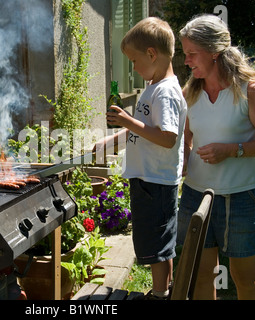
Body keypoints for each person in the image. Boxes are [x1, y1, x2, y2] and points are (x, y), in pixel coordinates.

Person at [177, 14, 255, 300]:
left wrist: (232, 150)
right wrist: (186, 158)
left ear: (214, 52)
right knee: (201, 275)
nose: (186, 61)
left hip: (242, 198)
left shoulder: (251, 90)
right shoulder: (192, 91)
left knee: (245, 278)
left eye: (191, 54)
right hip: (195, 196)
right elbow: (186, 133)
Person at [95, 17, 187, 300]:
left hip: (155, 182)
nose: (133, 68)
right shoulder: (153, 87)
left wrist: (125, 120)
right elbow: (144, 131)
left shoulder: (166, 92)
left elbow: (167, 137)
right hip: (150, 180)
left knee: (158, 246)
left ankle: (159, 295)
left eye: (134, 60)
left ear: (151, 53)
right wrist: (109, 142)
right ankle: (164, 291)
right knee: (160, 243)